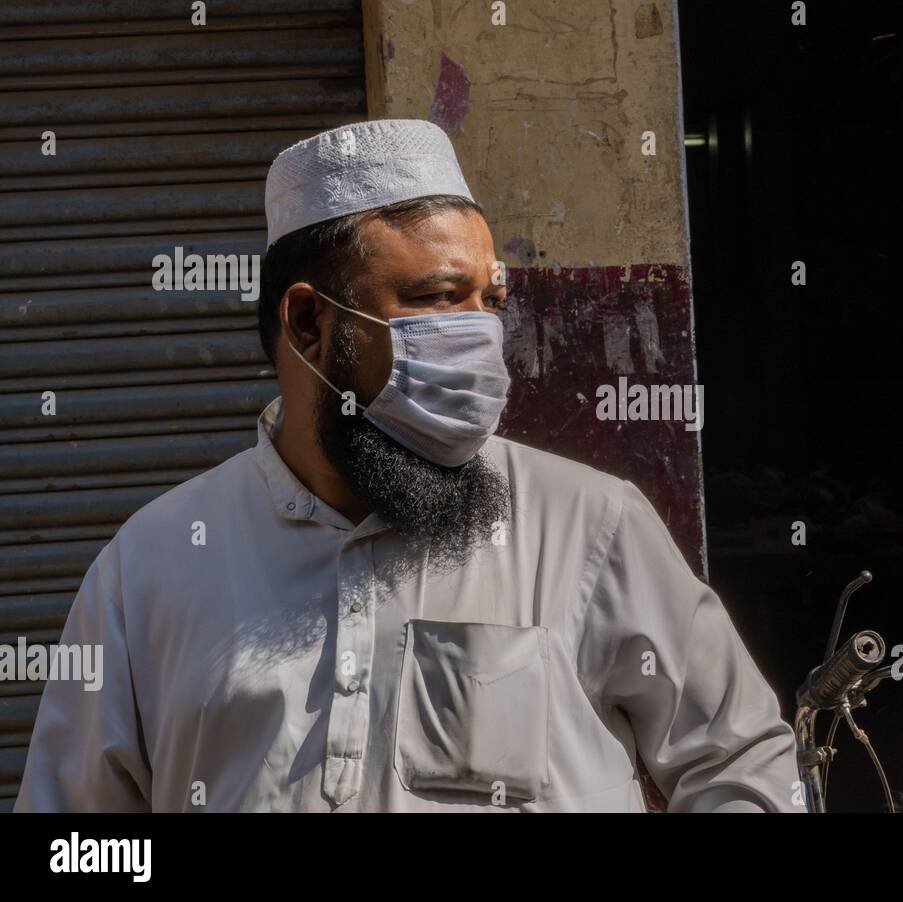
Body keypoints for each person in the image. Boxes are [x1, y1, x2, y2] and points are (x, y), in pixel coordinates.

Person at [15, 119, 805, 812]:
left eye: (488, 300)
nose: (480, 337)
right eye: (436, 298)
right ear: (308, 322)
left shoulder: (588, 525)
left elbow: (742, 762)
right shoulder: (149, 569)